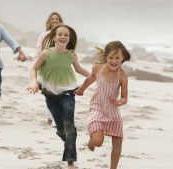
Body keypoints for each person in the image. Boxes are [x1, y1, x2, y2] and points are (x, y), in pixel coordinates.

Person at [27, 25, 90, 169]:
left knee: (69, 126)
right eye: (60, 34)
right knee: (62, 130)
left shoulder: (71, 55)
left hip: (69, 92)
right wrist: (35, 82)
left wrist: (95, 76)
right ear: (54, 37)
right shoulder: (46, 53)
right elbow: (34, 68)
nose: (63, 37)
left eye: (66, 35)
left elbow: (79, 69)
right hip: (50, 95)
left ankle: (70, 163)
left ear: (69, 38)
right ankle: (69, 139)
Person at [73, 41, 131, 169]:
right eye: (111, 57)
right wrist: (81, 89)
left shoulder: (123, 76)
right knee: (98, 142)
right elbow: (90, 79)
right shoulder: (98, 68)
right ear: (105, 57)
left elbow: (125, 97)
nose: (114, 61)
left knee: (118, 141)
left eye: (117, 58)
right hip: (97, 108)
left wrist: (119, 102)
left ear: (123, 58)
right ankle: (92, 137)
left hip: (113, 110)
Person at [24, 12, 64, 127]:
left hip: (59, 68)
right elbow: (38, 51)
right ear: (49, 21)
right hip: (46, 68)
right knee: (48, 94)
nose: (55, 21)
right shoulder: (43, 35)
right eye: (53, 19)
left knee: (59, 92)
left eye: (57, 19)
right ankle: (50, 116)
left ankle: (55, 119)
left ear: (60, 21)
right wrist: (29, 57)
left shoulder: (63, 35)